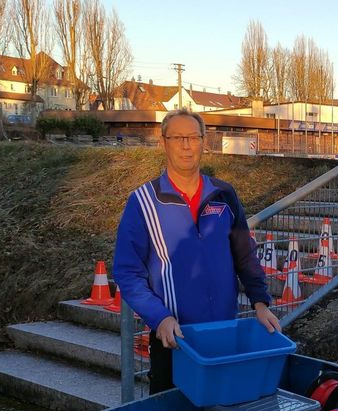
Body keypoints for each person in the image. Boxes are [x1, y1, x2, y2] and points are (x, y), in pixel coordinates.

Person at [113, 109, 281, 394]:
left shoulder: (224, 195)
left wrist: (260, 303)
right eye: (178, 137)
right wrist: (159, 316)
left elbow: (244, 253)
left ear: (204, 142)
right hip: (175, 338)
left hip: (222, 333)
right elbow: (127, 273)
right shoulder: (143, 202)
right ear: (163, 142)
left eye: (193, 137)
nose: (186, 145)